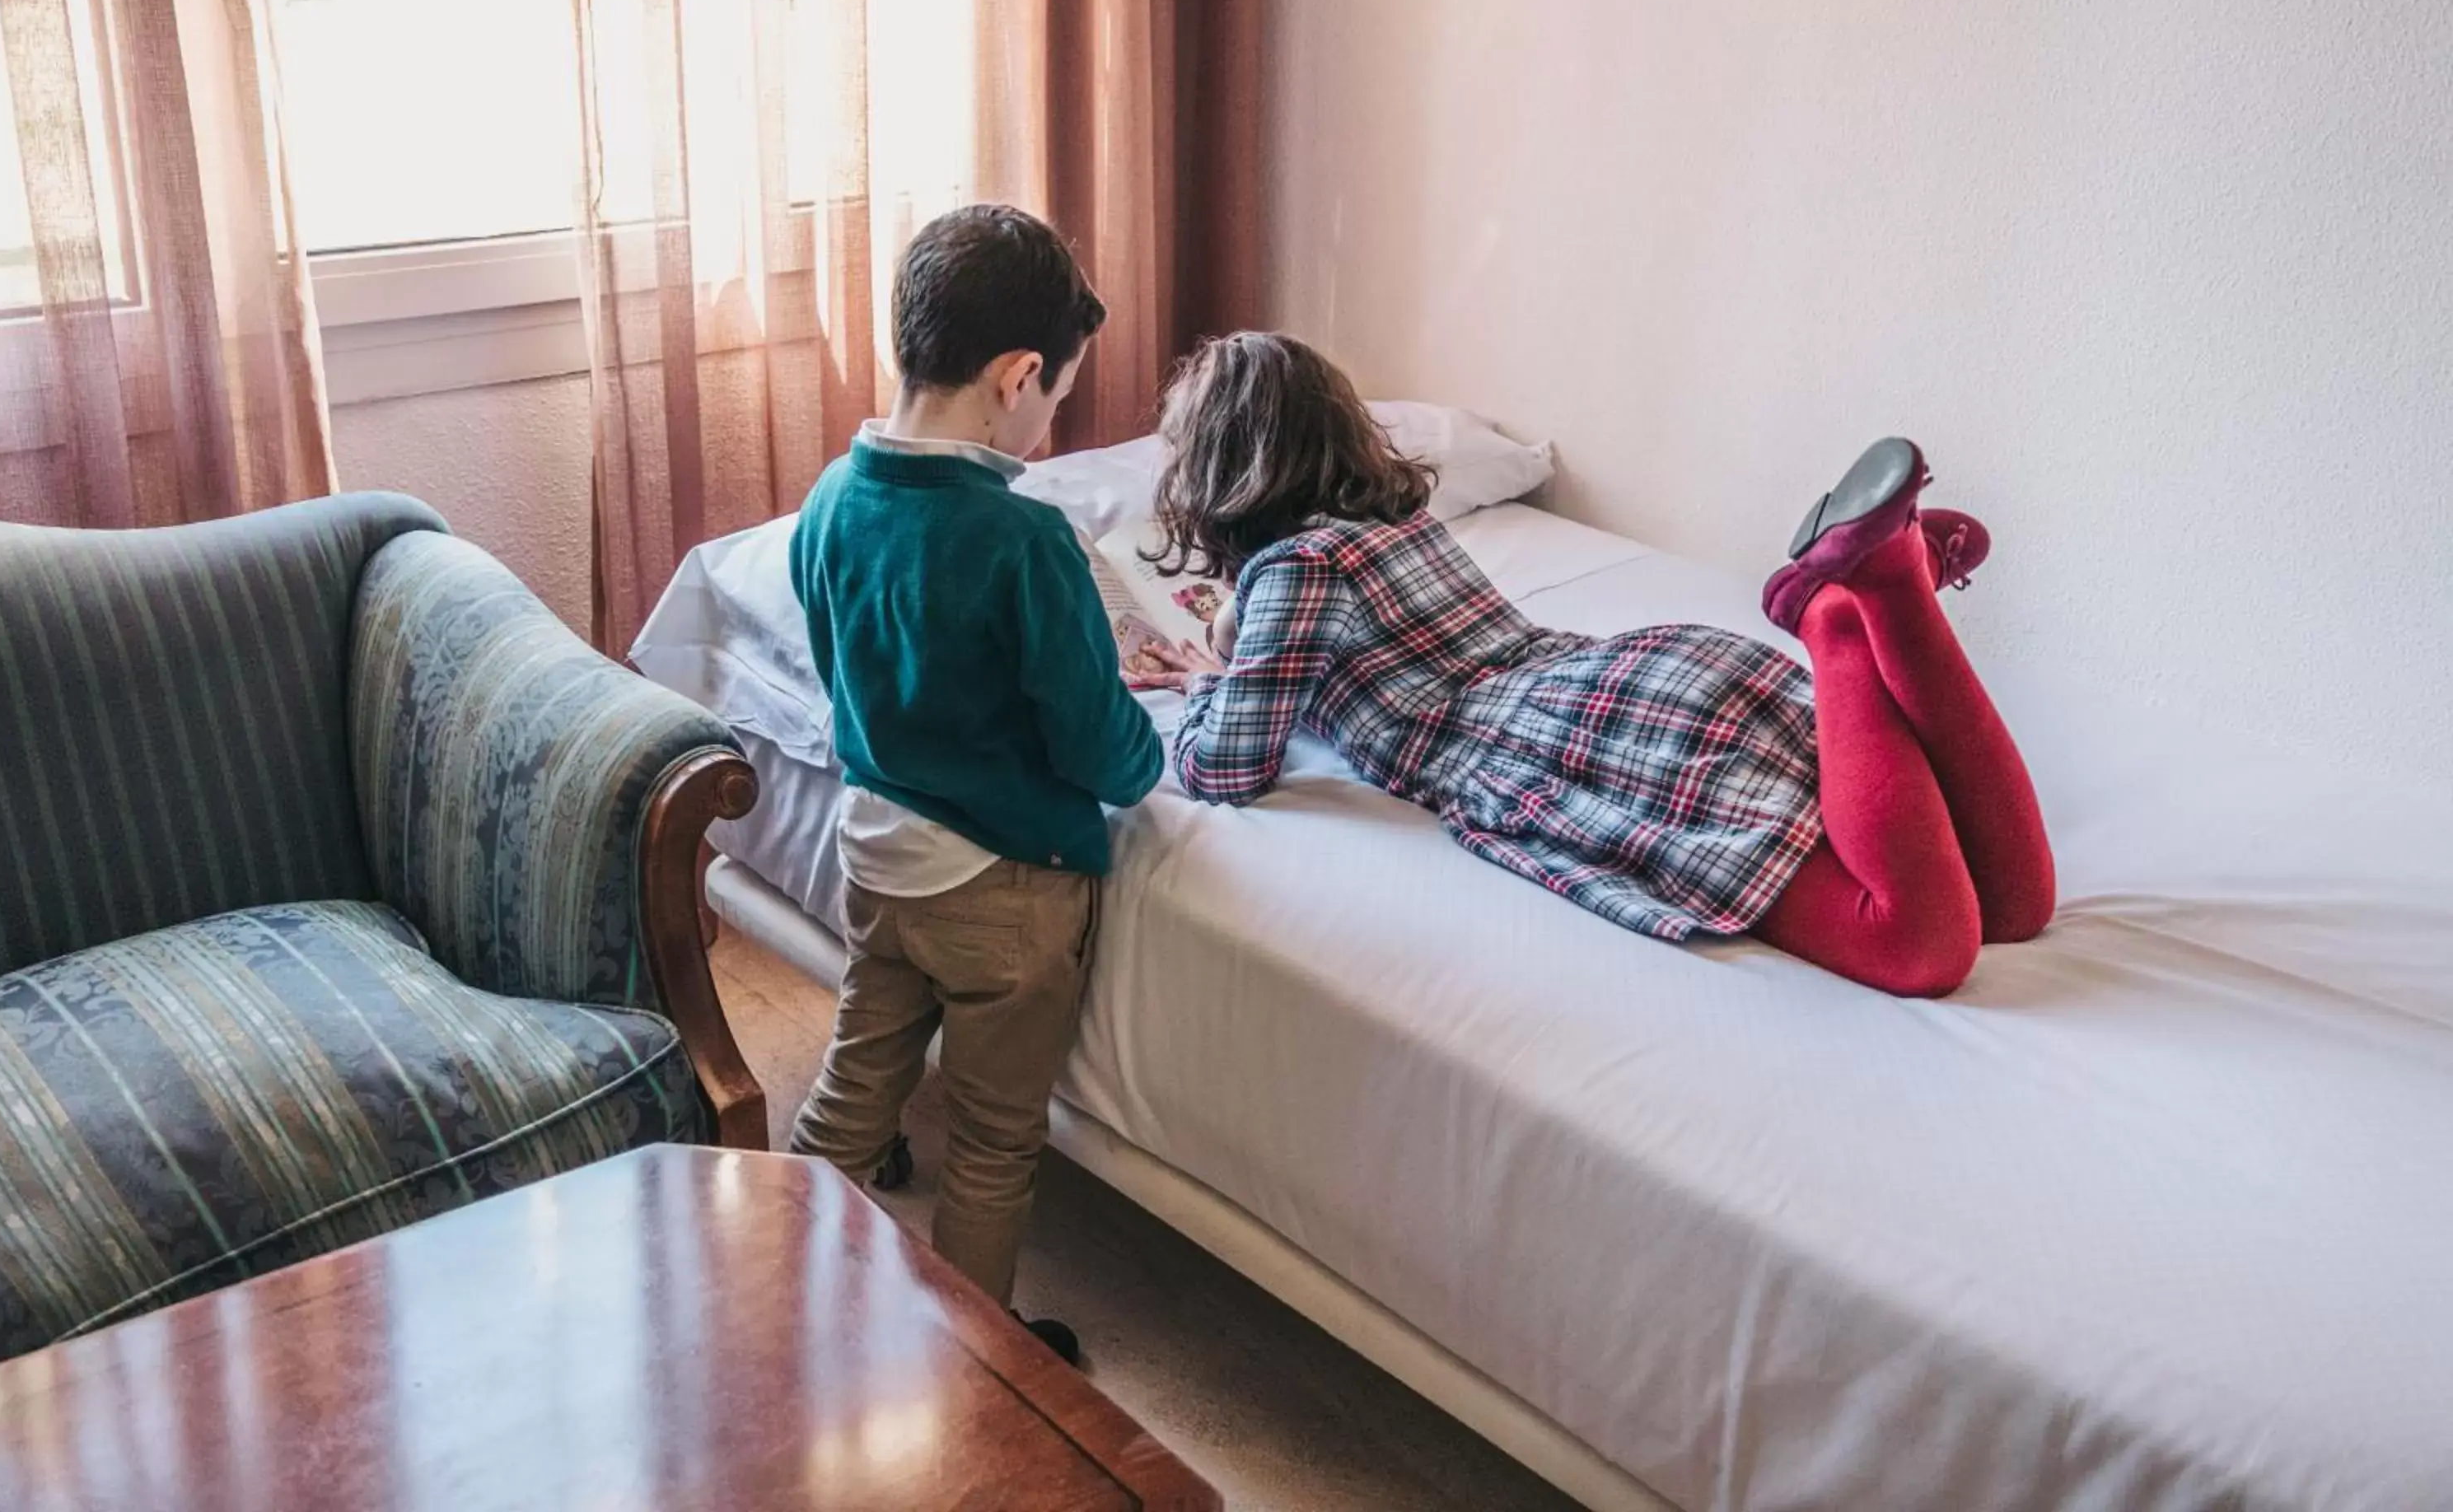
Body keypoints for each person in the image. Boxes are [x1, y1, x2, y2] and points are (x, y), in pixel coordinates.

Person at [1129, 332, 2054, 996]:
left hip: (1589, 746)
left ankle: (1834, 623)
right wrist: (1236, 646)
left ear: (1216, 471)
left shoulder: (1295, 569)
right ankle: (1892, 585)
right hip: (1642, 681)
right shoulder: (1391, 519)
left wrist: (1214, 680)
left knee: (1913, 943)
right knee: (2015, 901)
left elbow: (1225, 766)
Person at [787, 205, 1164, 1362]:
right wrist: (1153, 754)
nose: (1053, 423)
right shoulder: (1025, 543)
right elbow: (1094, 740)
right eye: (1056, 397)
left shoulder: (826, 504)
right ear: (1017, 375)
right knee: (996, 1142)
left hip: (877, 854)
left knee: (860, 1074)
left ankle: (781, 1279)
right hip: (1004, 892)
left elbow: (841, 665)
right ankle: (971, 1362)